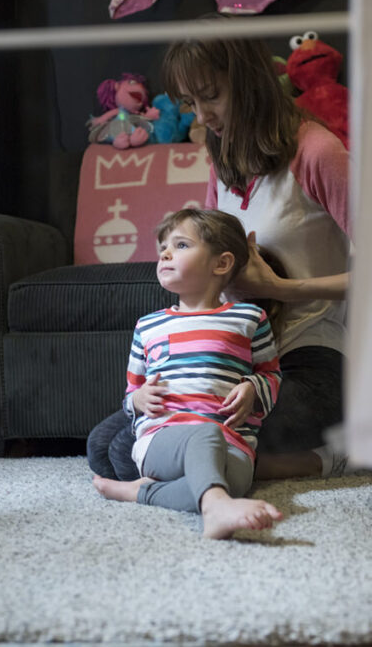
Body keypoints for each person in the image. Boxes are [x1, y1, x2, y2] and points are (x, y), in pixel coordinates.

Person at [87, 15, 352, 481]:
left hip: (312, 360)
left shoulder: (316, 152)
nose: (202, 116)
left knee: (140, 453)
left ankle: (329, 455)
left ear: (249, 82)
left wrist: (282, 288)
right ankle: (258, 463)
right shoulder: (224, 158)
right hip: (233, 358)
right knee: (107, 446)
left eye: (211, 96)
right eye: (190, 102)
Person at [92, 208, 284, 539]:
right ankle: (216, 507)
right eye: (163, 247)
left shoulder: (249, 318)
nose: (165, 253)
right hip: (162, 441)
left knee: (231, 483)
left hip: (233, 444)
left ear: (220, 264)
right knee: (204, 434)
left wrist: (254, 388)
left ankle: (142, 493)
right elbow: (131, 394)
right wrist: (137, 399)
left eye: (180, 245)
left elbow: (271, 374)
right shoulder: (148, 326)